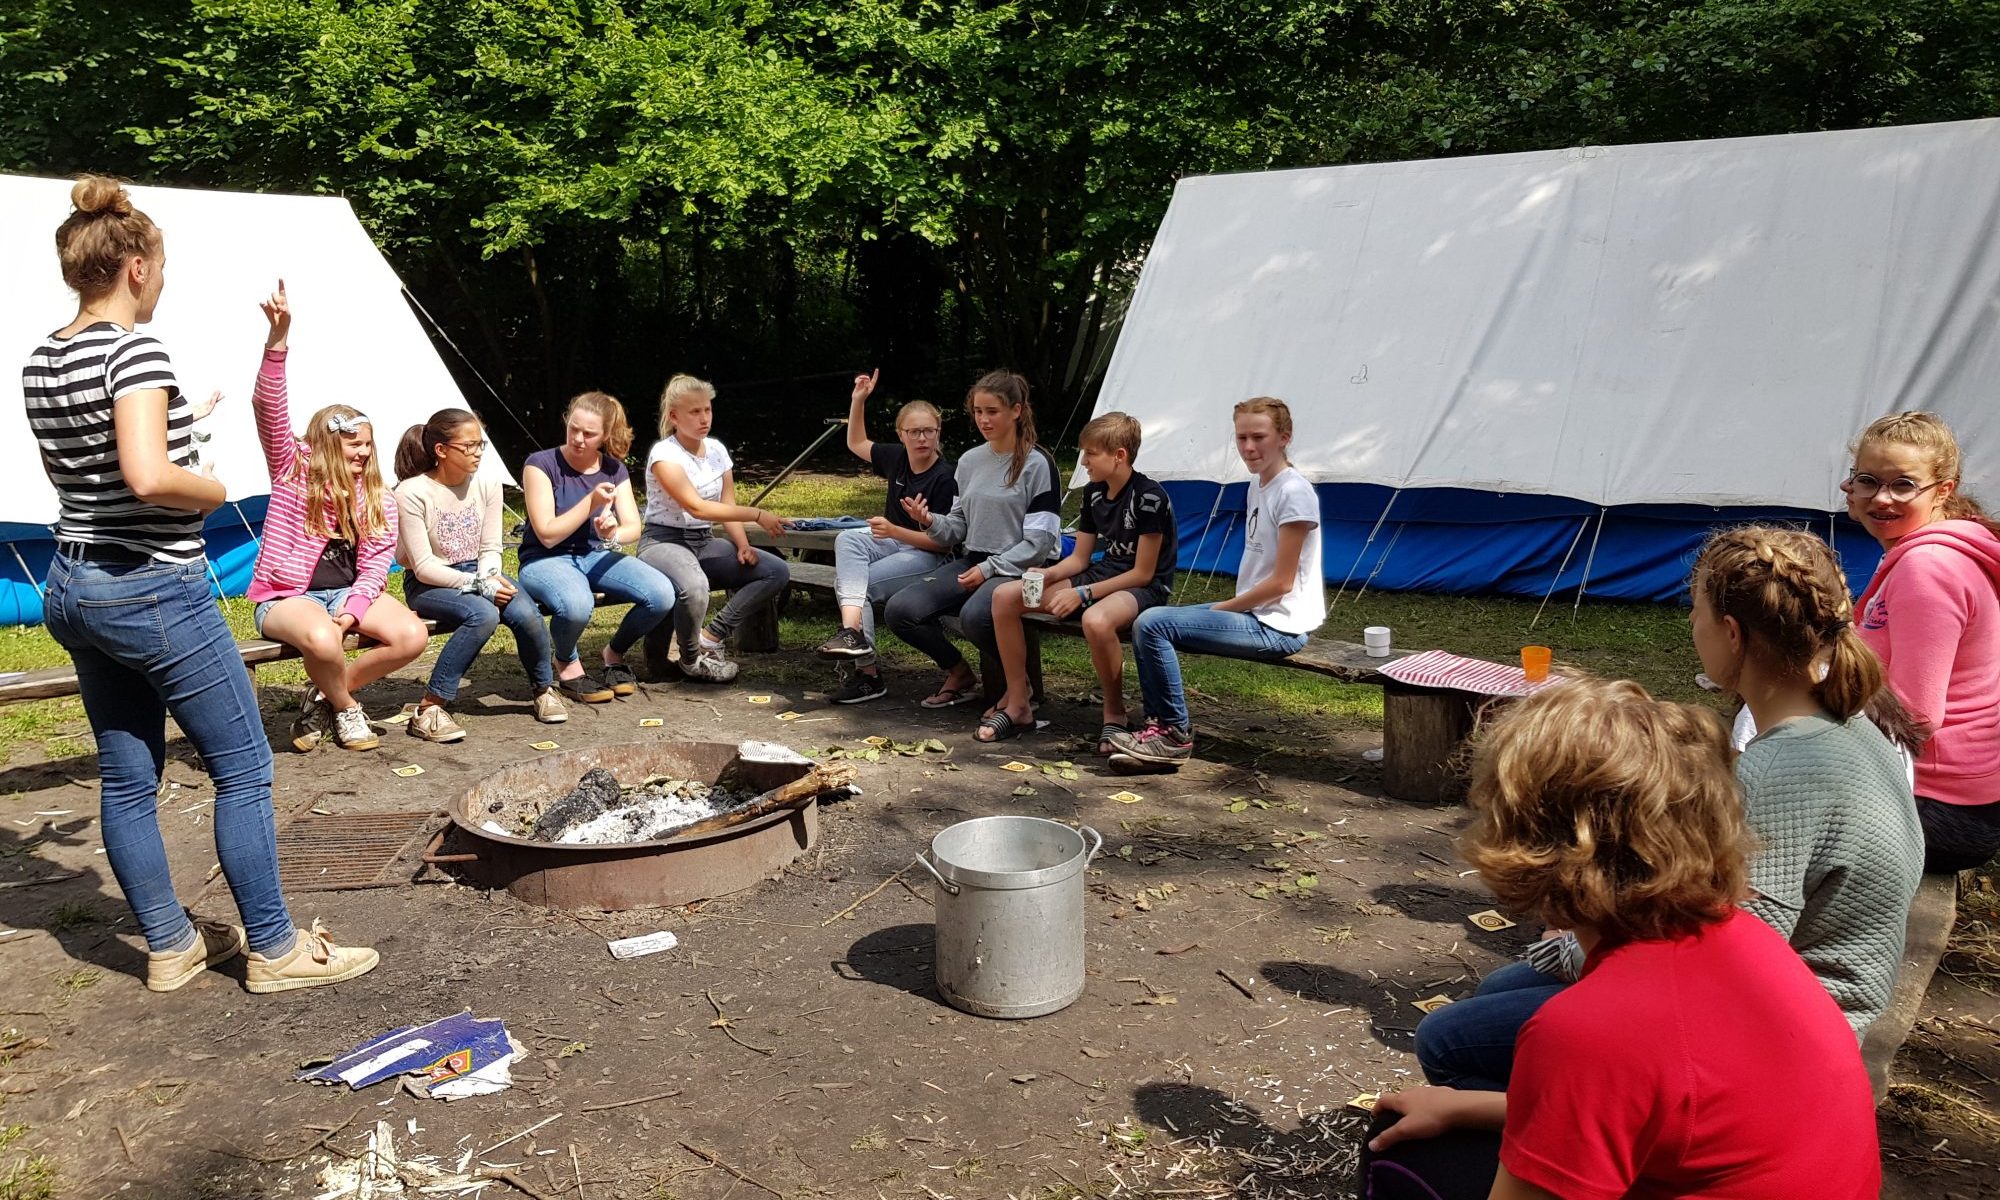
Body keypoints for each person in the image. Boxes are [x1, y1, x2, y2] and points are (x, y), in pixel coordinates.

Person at [1414, 526, 1928, 1092]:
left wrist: (1574, 945)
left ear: (1731, 633)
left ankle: (1576, 1151)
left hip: (1783, 1029)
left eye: (1696, 610)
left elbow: (1724, 954)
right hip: (1811, 993)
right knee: (1502, 990)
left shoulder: (1783, 768)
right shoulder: (1851, 723)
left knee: (1449, 1039)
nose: (1690, 623)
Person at [25, 175, 376, 993]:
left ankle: (171, 944)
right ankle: (275, 950)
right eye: (165, 264)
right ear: (139, 267)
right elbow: (148, 478)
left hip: (73, 584)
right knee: (245, 766)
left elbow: (90, 477)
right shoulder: (132, 350)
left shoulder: (44, 357)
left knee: (126, 776)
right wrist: (215, 488)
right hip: (152, 586)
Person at [1361, 677, 1881, 1200]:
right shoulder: (1746, 937)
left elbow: (1616, 1072)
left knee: (1397, 1151)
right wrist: (1466, 1107)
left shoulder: (1586, 1031)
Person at [246, 283, 428, 753]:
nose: (365, 453)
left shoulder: (377, 497)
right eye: (355, 445)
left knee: (411, 635)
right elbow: (268, 408)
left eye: (368, 445)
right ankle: (347, 709)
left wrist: (354, 609)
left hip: (346, 594)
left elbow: (373, 567)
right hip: (288, 596)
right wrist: (278, 339)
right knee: (324, 640)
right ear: (327, 445)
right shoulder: (292, 470)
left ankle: (326, 696)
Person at [1106, 397, 1322, 771]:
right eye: (1242, 438)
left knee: (1155, 623)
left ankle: (1175, 735)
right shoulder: (1260, 485)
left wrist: (1224, 607)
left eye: (1259, 437)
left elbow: (1282, 583)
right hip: (1257, 612)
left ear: (1284, 437)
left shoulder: (1293, 492)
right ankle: (1156, 730)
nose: (1249, 448)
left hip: (1281, 624)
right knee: (1150, 620)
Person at [1845, 411, 2000, 872]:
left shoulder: (1926, 567)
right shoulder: (1933, 547)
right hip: (1959, 798)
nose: (1882, 498)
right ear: (1848, 487)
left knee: (1757, 803)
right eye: (1868, 481)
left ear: (1943, 490)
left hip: (1935, 807)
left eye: (1903, 485)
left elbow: (1913, 716)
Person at [980, 412, 1176, 746]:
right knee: (1005, 597)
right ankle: (1018, 704)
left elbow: (1143, 573)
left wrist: (1083, 594)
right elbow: (1081, 558)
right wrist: (1049, 574)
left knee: (1096, 621)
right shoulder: (1094, 493)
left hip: (1144, 587)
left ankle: (1115, 714)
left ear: (1119, 456)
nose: (1083, 461)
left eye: (1090, 453)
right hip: (1103, 574)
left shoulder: (1149, 498)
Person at [877, 371, 1060, 708]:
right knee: (901, 609)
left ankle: (1020, 691)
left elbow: (1040, 542)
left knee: (978, 615)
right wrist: (929, 521)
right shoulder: (970, 460)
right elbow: (958, 527)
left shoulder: (1038, 463)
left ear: (1016, 411)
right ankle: (959, 672)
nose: (983, 420)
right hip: (973, 560)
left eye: (992, 411)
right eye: (978, 411)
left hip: (1020, 569)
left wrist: (991, 569)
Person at [393, 409, 568, 739]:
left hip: (480, 572)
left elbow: (491, 546)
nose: (477, 453)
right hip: (431, 582)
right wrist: (480, 586)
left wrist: (488, 577)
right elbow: (424, 566)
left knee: (527, 614)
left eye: (480, 445)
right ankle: (430, 707)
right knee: (483, 615)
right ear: (441, 450)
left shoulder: (487, 484)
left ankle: (543, 689)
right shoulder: (411, 493)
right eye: (469, 446)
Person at [516, 391, 676, 702]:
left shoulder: (613, 469)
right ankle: (565, 660)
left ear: (605, 435)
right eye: (573, 428)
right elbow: (547, 533)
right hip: (545, 559)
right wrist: (590, 504)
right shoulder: (540, 464)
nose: (578, 438)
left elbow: (633, 526)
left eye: (589, 433)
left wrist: (612, 532)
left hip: (593, 554)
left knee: (661, 594)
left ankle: (613, 654)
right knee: (577, 604)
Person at [634, 374, 790, 683]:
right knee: (694, 587)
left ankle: (711, 636)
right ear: (674, 416)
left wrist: (742, 543)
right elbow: (697, 507)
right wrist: (757, 514)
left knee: (776, 571)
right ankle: (690, 658)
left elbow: (726, 504)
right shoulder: (664, 455)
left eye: (707, 410)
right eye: (695, 412)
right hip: (663, 541)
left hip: (703, 540)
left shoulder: (717, 450)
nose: (704, 418)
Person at [813, 370, 958, 704]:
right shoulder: (897, 456)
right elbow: (856, 443)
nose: (922, 439)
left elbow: (943, 544)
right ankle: (853, 635)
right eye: (914, 432)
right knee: (847, 541)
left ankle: (868, 675)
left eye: (929, 431)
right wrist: (858, 400)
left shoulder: (945, 478)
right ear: (901, 434)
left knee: (852, 586)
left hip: (928, 554)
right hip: (891, 542)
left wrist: (896, 530)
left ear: (938, 433)